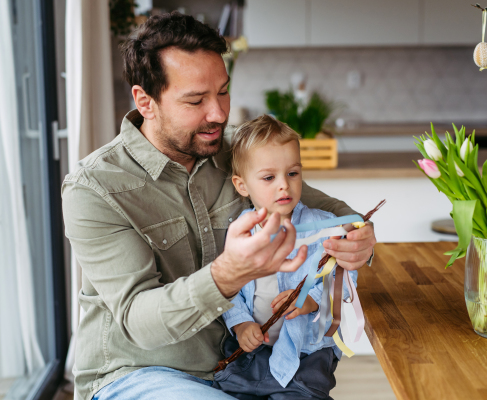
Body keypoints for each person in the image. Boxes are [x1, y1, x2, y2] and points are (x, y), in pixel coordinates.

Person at [61, 12, 376, 400]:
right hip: (141, 373)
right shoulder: (94, 188)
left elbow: (327, 209)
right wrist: (227, 275)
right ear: (146, 101)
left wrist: (357, 234)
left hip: (244, 365)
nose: (219, 114)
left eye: (223, 91)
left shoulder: (236, 151)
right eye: (196, 100)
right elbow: (138, 322)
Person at [212, 115, 357, 399]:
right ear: (242, 186)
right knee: (233, 389)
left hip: (307, 351)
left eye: (293, 173)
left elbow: (343, 274)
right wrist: (241, 324)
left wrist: (311, 299)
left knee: (302, 394)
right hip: (255, 349)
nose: (284, 185)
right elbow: (228, 289)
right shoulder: (240, 234)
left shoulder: (324, 226)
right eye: (269, 177)